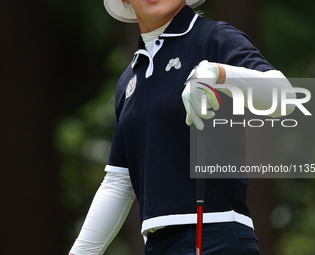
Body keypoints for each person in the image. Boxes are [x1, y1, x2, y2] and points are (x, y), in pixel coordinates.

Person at [69, 0, 295, 254]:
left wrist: (218, 74)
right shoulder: (129, 79)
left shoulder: (214, 37)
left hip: (218, 238)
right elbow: (120, 182)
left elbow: (284, 98)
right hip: (158, 245)